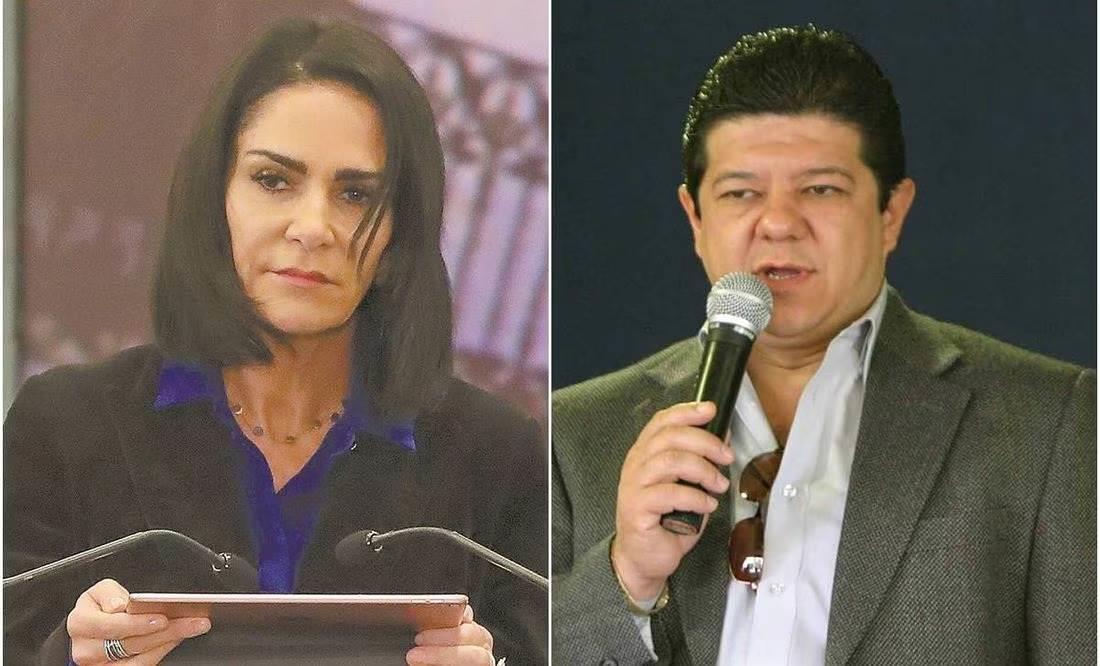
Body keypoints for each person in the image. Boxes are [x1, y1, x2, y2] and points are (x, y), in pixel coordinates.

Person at [4, 18, 546, 665]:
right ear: (216, 199)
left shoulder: (499, 459)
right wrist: (70, 656)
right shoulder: (63, 427)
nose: (312, 226)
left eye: (356, 194)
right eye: (273, 180)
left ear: (399, 236)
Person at [552, 25, 1094, 665]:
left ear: (891, 213)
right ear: (695, 219)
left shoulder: (1047, 423)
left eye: (821, 189)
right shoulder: (575, 435)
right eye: (741, 193)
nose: (779, 223)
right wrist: (628, 578)